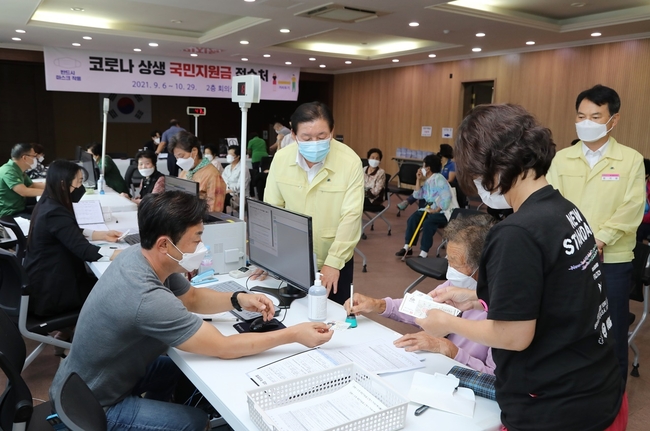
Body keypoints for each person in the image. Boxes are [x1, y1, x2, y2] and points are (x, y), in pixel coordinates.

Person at [48, 191, 333, 431]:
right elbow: (224, 347)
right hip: (92, 408)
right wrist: (293, 334)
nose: (201, 247)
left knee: (179, 371)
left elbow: (193, 298)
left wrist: (238, 298)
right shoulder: (146, 297)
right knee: (195, 422)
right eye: (196, 240)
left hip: (85, 381)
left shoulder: (141, 257)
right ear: (165, 244)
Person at [420, 104, 625, 431]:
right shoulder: (565, 209)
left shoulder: (517, 232)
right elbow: (558, 293)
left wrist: (445, 322)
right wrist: (476, 299)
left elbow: (514, 336)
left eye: (478, 175)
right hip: (596, 385)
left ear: (496, 166)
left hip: (555, 406)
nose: (480, 185)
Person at [547, 84, 645, 383]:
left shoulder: (630, 160)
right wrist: (572, 241)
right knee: (567, 326)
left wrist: (599, 239)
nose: (586, 123)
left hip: (612, 260)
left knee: (612, 331)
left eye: (595, 116)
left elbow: (632, 207)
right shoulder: (562, 158)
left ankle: (613, 398)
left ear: (613, 120)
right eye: (581, 116)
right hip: (567, 258)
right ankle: (572, 389)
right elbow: (550, 203)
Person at [346, 214, 497, 374]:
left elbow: (493, 379)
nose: (450, 270)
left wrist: (448, 349)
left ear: (482, 266)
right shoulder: (458, 285)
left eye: (456, 264)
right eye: (448, 261)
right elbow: (420, 307)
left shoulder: (501, 311)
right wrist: (378, 305)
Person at [260, 102, 364, 305]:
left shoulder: (349, 162)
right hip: (291, 257)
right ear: (293, 134)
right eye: (307, 138)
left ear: (332, 131)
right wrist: (268, 254)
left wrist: (334, 262)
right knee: (288, 312)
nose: (315, 143)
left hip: (334, 258)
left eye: (322, 136)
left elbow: (351, 216)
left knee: (332, 315)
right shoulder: (281, 159)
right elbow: (271, 209)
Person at [24, 160, 121, 317]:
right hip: (52, 292)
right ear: (64, 184)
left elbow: (67, 231)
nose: (81, 187)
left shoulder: (48, 202)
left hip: (45, 279)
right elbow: (86, 252)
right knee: (113, 290)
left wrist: (101, 235)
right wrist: (121, 254)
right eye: (80, 182)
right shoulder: (54, 212)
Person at [395, 154, 452, 258]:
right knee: (413, 218)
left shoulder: (439, 179)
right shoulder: (428, 180)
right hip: (429, 210)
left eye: (423, 166)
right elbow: (418, 195)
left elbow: (447, 199)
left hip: (443, 212)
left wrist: (436, 210)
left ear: (428, 168)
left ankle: (424, 252)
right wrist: (418, 180)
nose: (421, 168)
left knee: (428, 223)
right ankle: (407, 247)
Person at [169, 131, 226, 212]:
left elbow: (214, 210)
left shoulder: (212, 175)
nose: (179, 161)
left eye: (181, 156)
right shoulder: (185, 171)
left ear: (194, 151)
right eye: (176, 157)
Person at [0, 143, 45, 218]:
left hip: (20, 208)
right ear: (24, 158)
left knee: (46, 213)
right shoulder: (8, 171)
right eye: (34, 156)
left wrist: (53, 185)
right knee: (42, 219)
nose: (36, 159)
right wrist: (49, 192)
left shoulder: (18, 169)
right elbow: (24, 191)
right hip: (9, 213)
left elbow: (31, 185)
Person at [221, 145, 251, 212]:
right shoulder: (227, 168)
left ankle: (222, 216)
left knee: (222, 197)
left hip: (239, 196)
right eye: (228, 154)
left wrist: (228, 190)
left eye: (231, 155)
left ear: (238, 156)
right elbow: (222, 181)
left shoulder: (243, 168)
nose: (228, 156)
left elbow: (241, 186)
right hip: (228, 193)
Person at [439, 143, 468, 209]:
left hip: (451, 188)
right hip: (443, 188)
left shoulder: (452, 165)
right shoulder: (441, 164)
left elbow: (450, 179)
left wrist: (440, 184)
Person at [637, 158, 650, 242]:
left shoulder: (648, 187)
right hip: (634, 220)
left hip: (645, 221)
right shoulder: (631, 185)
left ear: (646, 174)